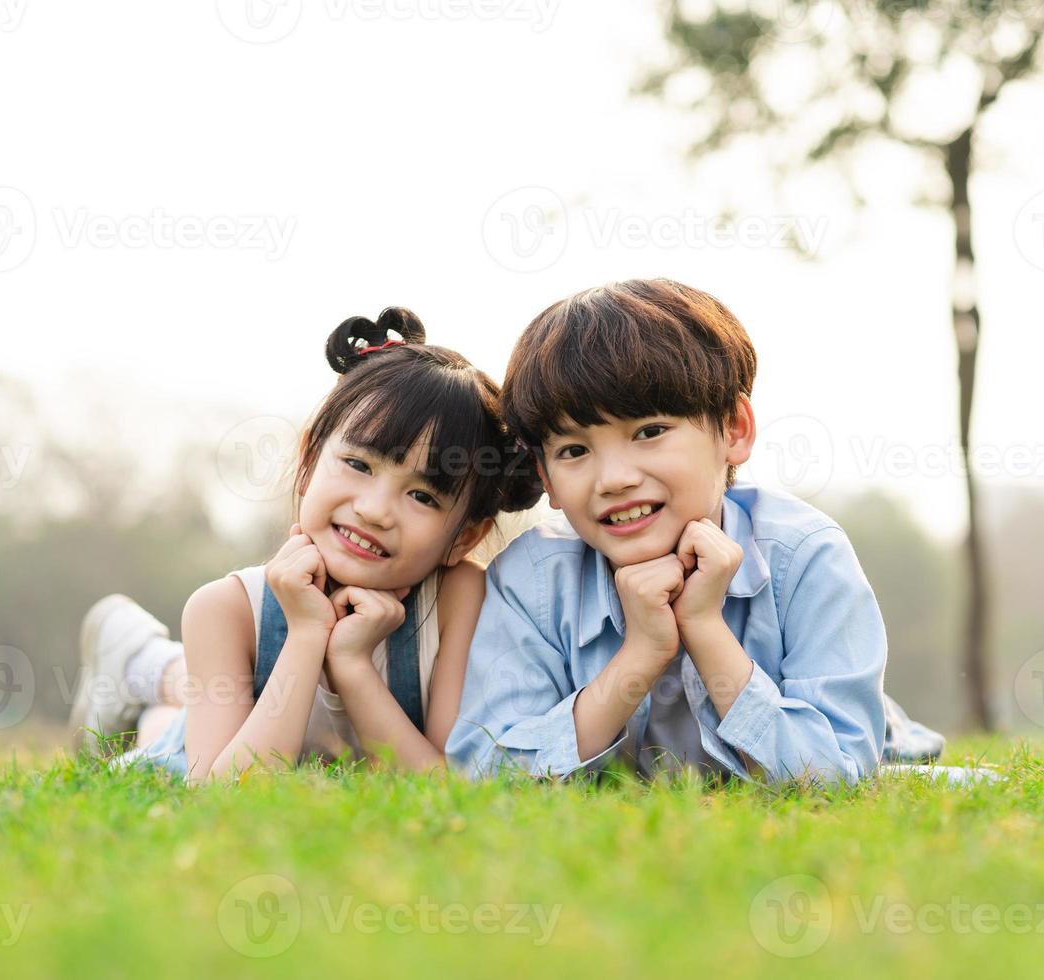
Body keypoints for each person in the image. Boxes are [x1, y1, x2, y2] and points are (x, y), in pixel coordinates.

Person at [447, 279, 947, 785]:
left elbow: (835, 772)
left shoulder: (805, 555)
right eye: (574, 451)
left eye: (649, 432)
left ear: (733, 429)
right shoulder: (530, 580)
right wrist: (642, 653)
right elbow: (487, 772)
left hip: (880, 743)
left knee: (916, 776)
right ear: (546, 477)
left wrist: (705, 626)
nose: (614, 478)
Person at [69, 308, 540, 781]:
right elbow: (218, 792)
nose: (375, 510)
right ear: (310, 458)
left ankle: (142, 666)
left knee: (175, 712)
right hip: (215, 740)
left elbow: (444, 785)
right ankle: (138, 664)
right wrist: (307, 635)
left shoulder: (460, 598)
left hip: (224, 711)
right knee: (168, 735)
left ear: (464, 537)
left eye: (422, 496)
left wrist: (353, 665)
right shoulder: (225, 610)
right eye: (359, 464)